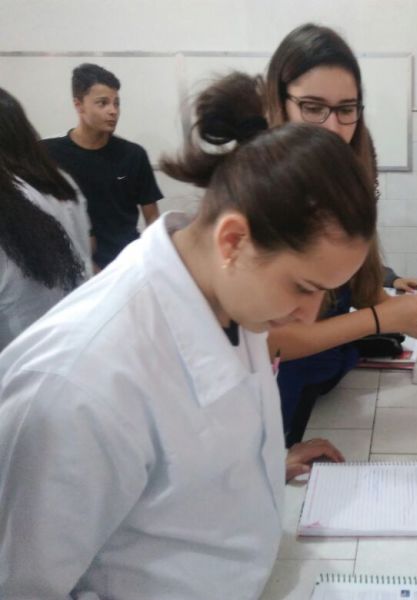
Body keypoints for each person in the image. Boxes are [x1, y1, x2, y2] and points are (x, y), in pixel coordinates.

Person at [0, 70, 378, 596]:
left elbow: (184, 452)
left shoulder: (230, 294)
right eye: (303, 287)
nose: (308, 315)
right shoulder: (78, 386)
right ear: (233, 240)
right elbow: (24, 584)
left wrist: (260, 465)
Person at [261, 24, 417, 444]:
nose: (332, 126)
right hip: (276, 396)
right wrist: (379, 319)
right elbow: (272, 342)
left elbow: (367, 291)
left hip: (324, 378)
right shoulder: (264, 198)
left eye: (346, 109)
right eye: (312, 107)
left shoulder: (344, 182)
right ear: (278, 104)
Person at [42, 63, 162, 270]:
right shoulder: (49, 154)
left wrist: (154, 257)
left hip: (128, 265)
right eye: (102, 103)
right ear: (78, 105)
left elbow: (152, 215)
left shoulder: (133, 155)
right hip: (76, 269)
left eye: (116, 103)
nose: (113, 111)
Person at [0, 87, 92, 350]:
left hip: (18, 351)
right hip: (73, 334)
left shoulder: (12, 193)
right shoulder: (59, 181)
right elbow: (84, 251)